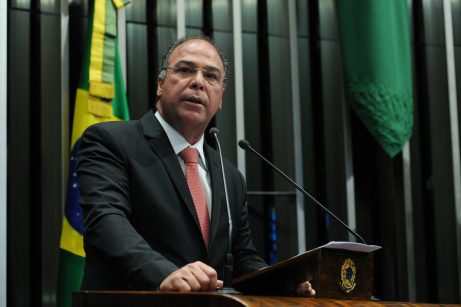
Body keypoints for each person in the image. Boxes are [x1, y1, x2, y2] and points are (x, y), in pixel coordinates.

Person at [77, 35, 315, 296]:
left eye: (211, 76)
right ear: (160, 84)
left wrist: (281, 284)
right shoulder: (110, 141)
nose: (198, 82)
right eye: (185, 70)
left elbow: (243, 258)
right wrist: (163, 273)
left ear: (220, 97)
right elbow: (106, 221)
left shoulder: (230, 177)